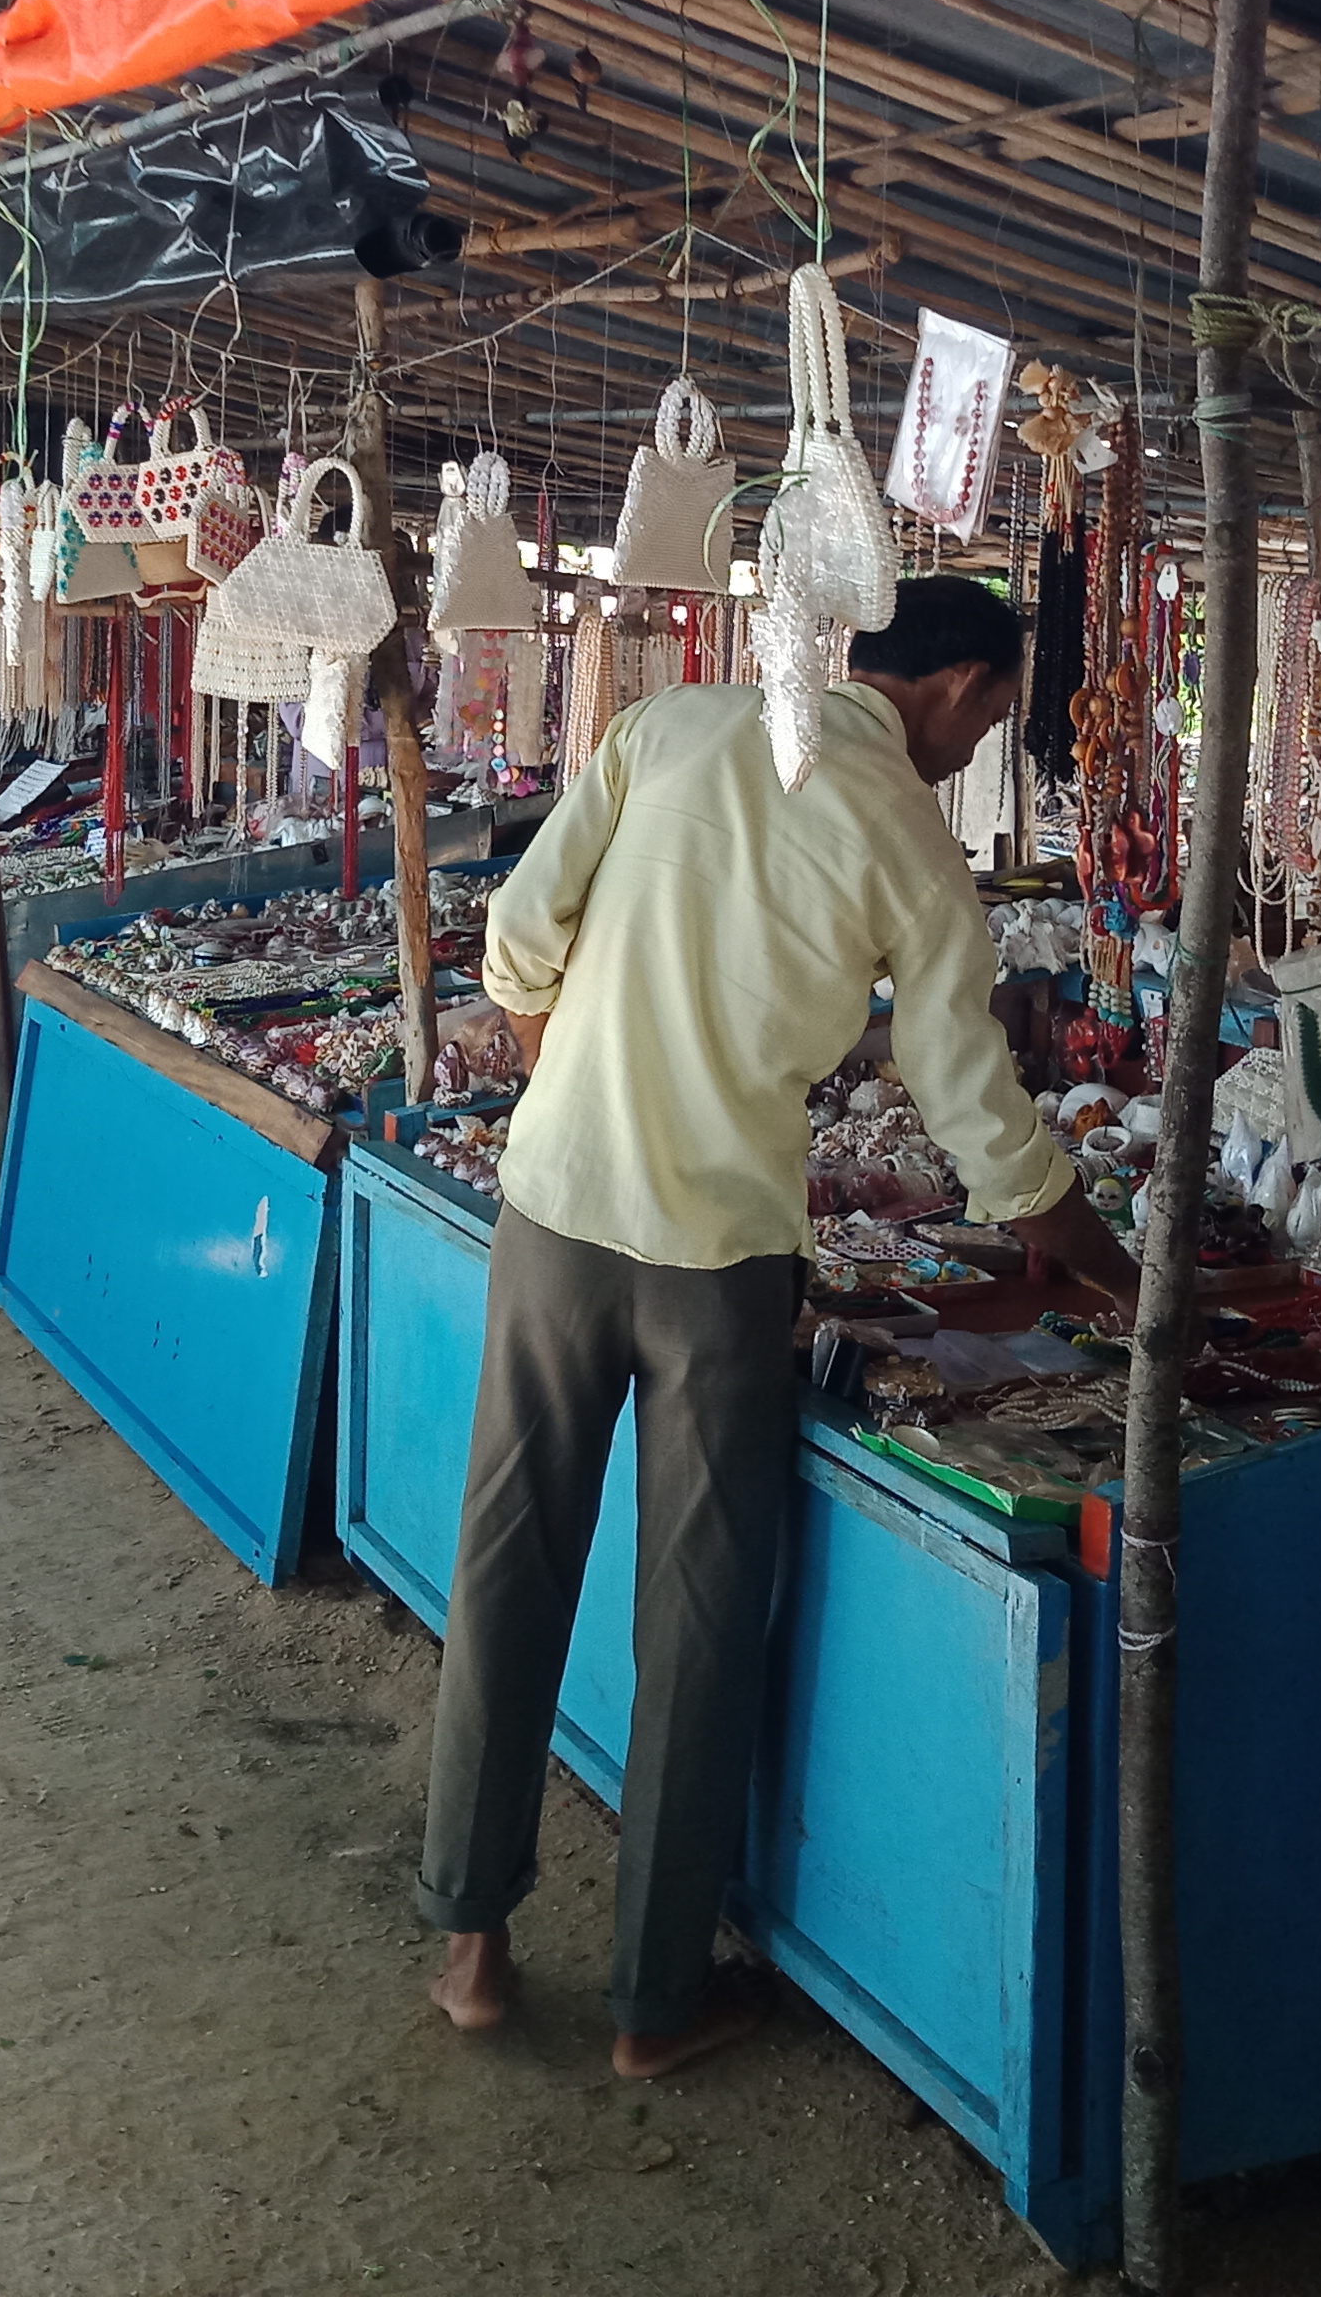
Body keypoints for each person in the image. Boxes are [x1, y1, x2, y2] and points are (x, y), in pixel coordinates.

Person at [417, 575, 1122, 2073]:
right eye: (995, 712)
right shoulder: (912, 842)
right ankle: (652, 2005)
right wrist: (1073, 1230)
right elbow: (968, 1089)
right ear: (958, 688)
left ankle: (472, 1943)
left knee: (509, 1560)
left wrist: (576, 1035)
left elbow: (521, 930)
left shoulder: (672, 728)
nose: (983, 739)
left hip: (554, 1209)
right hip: (718, 1259)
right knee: (698, 1615)